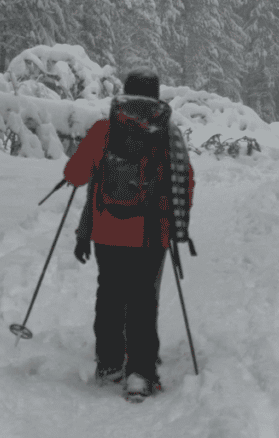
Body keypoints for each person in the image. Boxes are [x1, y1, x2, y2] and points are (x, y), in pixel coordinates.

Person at [63, 68, 194, 401]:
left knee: (109, 295)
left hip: (107, 230)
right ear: (156, 96)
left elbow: (75, 174)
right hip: (152, 234)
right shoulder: (168, 133)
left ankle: (109, 364)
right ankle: (140, 373)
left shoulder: (104, 130)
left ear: (123, 92)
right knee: (142, 300)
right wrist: (175, 226)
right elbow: (185, 184)